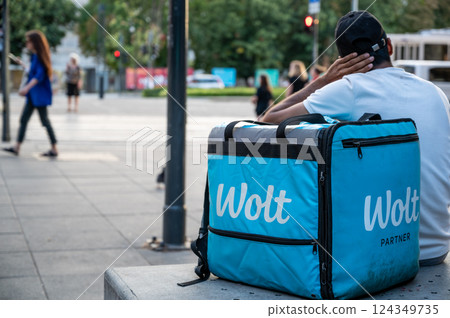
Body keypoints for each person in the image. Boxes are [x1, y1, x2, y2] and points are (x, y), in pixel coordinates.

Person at [262, 11, 450, 266]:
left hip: (386, 251)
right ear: (390, 45)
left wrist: (325, 80)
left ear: (342, 61)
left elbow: (268, 118)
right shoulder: (435, 92)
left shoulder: (349, 88)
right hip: (436, 249)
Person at [3, 30, 58, 157]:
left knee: (45, 121)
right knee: (24, 120)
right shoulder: (34, 57)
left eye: (29, 41)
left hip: (39, 95)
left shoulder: (40, 57)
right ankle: (17, 147)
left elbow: (39, 76)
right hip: (33, 96)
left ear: (35, 42)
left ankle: (54, 148)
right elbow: (33, 72)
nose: (27, 43)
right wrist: (23, 65)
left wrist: (26, 88)